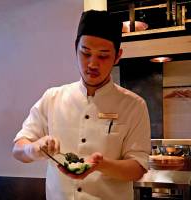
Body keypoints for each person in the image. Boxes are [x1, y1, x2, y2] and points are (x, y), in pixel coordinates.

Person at [12, 10, 151, 200]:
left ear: (117, 56)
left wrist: (101, 165)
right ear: (75, 48)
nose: (92, 64)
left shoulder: (134, 105)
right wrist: (34, 148)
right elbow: (18, 149)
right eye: (85, 53)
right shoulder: (53, 98)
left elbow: (137, 168)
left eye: (103, 56)